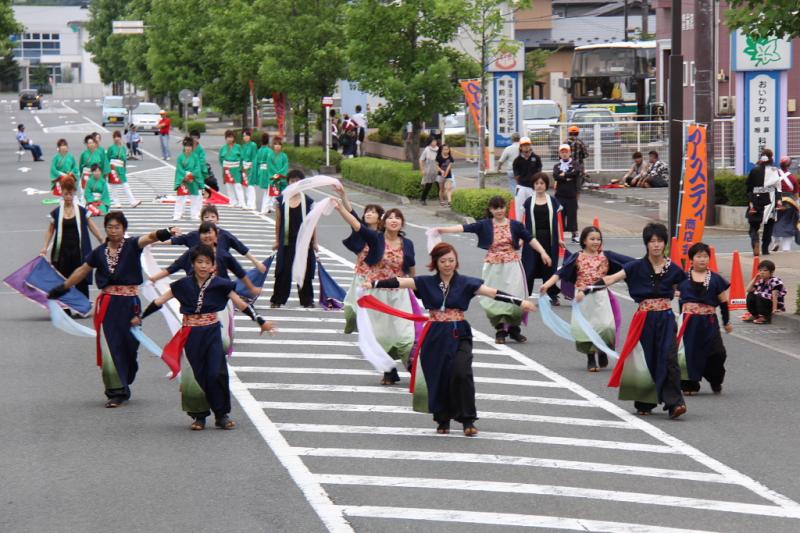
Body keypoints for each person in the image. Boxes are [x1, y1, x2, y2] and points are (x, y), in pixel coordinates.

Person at [366, 242, 537, 436]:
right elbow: (398, 282)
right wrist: (372, 284)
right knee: (438, 375)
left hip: (459, 332)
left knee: (461, 372)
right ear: (436, 263)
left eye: (451, 260)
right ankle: (442, 418)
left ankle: (467, 420)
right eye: (443, 261)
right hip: (435, 334)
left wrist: (520, 302)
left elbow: (493, 293)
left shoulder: (466, 283)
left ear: (456, 262)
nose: (448, 264)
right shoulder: (425, 282)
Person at [134, 244, 274, 430]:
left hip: (212, 331)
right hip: (191, 334)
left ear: (213, 265)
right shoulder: (182, 285)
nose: (203, 266)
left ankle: (221, 414)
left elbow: (241, 304)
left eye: (207, 262)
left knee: (216, 372)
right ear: (193, 264)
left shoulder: (221, 285)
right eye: (199, 262)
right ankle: (198, 416)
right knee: (197, 375)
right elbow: (159, 301)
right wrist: (141, 316)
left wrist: (260, 321)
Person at [47, 213, 176, 408]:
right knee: (110, 346)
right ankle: (116, 391)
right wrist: (64, 287)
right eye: (110, 227)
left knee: (129, 348)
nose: (113, 230)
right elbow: (83, 270)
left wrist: (165, 232)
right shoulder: (99, 253)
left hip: (130, 304)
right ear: (106, 228)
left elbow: (149, 237)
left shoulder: (132, 245)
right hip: (108, 305)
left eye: (117, 227)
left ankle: (126, 376)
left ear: (124, 229)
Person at [578, 222, 687, 419]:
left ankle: (675, 403)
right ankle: (645, 400)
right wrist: (587, 289)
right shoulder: (636, 266)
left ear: (665, 244)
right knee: (645, 359)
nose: (656, 245)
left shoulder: (674, 268)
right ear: (646, 244)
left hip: (666, 317)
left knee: (669, 358)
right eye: (652, 241)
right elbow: (611, 279)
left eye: (660, 241)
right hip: (644, 319)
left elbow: (687, 287)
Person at [432, 196, 551, 344]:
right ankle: (500, 329)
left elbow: (530, 239)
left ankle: (514, 328)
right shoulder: (484, 225)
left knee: (517, 296)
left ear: (505, 208)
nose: (499, 210)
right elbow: (464, 228)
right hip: (493, 266)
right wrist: (442, 230)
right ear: (491, 210)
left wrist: (543, 252)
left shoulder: (515, 225)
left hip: (512, 265)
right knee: (494, 298)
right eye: (496, 208)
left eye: (501, 207)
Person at [334, 201, 416, 385]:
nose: (394, 220)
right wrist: (340, 208)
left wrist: (416, 288)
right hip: (376, 295)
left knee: (405, 334)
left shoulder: (407, 243)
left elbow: (411, 266)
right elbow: (356, 224)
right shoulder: (376, 238)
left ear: (402, 223)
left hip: (399, 293)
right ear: (384, 222)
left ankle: (412, 366)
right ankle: (389, 369)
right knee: (381, 335)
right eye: (390, 217)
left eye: (398, 218)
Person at [541, 226, 633, 371]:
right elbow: (562, 272)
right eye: (592, 239)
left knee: (606, 326)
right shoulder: (577, 257)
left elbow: (632, 263)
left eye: (598, 239)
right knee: (585, 328)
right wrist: (546, 285)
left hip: (601, 296)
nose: (596, 242)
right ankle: (590, 358)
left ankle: (603, 349)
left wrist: (650, 264)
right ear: (584, 240)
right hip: (582, 298)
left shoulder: (607, 256)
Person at [677, 242, 731, 395]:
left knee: (717, 353)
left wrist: (726, 321)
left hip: (709, 322)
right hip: (689, 322)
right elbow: (680, 303)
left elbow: (723, 302)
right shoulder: (683, 279)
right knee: (688, 353)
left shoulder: (715, 279)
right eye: (699, 256)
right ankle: (690, 384)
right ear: (691, 259)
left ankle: (715, 379)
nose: (702, 260)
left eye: (705, 256)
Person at [40, 175, 104, 299]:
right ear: (62, 194)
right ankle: (65, 305)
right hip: (62, 252)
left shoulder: (81, 211)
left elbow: (91, 225)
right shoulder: (56, 212)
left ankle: (83, 304)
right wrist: (45, 247)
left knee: (81, 277)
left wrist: (101, 239)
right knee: (62, 277)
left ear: (74, 193)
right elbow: (50, 231)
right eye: (66, 194)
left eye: (71, 194)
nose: (68, 197)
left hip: (79, 251)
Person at [336, 186, 384, 334]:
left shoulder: (384, 234)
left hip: (376, 278)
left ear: (380, 218)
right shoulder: (361, 229)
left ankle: (369, 334)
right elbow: (352, 214)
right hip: (360, 275)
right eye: (367, 211)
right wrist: (343, 194)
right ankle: (353, 323)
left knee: (370, 310)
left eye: (373, 212)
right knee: (351, 306)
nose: (369, 214)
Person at [166, 205, 266, 271]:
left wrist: (256, 263)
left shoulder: (225, 235)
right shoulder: (194, 235)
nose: (210, 219)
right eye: (206, 217)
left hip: (218, 274)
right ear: (201, 220)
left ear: (218, 219)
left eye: (213, 217)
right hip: (197, 275)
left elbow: (241, 248)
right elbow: (175, 241)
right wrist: (153, 241)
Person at [271, 170, 316, 308]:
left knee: (305, 270)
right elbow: (278, 222)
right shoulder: (281, 200)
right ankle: (277, 300)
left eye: (298, 180)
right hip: (286, 242)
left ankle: (307, 300)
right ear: (288, 182)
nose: (295, 183)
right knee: (283, 270)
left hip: (304, 242)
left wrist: (315, 242)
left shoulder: (309, 201)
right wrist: (277, 241)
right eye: (292, 181)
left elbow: (312, 223)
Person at [522, 173, 564, 303]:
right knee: (529, 265)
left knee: (549, 267)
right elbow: (524, 221)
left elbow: (556, 221)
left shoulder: (553, 201)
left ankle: (552, 295)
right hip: (532, 239)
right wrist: (522, 237)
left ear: (546, 185)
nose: (539, 186)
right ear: (533, 185)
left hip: (549, 238)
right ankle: (524, 295)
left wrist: (559, 239)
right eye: (536, 183)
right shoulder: (528, 202)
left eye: (541, 183)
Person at [747, 149, 781, 256]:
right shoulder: (775, 170)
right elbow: (778, 188)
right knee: (769, 226)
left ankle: (755, 240)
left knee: (753, 225)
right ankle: (765, 249)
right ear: (771, 158)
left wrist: (750, 199)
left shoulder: (755, 170)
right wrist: (779, 200)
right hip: (770, 200)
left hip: (756, 199)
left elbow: (749, 186)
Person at [743, 260, 786, 324]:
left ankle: (765, 317)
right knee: (751, 294)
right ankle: (755, 315)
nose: (762, 272)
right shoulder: (761, 281)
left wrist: (774, 309)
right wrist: (755, 278)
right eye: (760, 270)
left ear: (771, 272)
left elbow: (775, 296)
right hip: (765, 302)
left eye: (765, 270)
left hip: (775, 304)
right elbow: (748, 290)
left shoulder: (775, 281)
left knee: (760, 295)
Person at [553, 144, 581, 243]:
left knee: (572, 214)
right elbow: (556, 176)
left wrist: (564, 175)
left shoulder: (575, 164)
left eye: (566, 152)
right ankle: (559, 234)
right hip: (560, 194)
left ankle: (574, 234)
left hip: (572, 194)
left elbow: (576, 172)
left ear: (570, 153)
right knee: (560, 214)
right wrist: (568, 176)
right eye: (562, 152)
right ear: (560, 154)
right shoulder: (557, 165)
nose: (564, 154)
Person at [106, 130, 141, 208]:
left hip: (121, 168)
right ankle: (116, 202)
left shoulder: (123, 148)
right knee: (113, 186)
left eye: (118, 136)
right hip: (113, 168)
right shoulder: (111, 148)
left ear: (120, 137)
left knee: (125, 185)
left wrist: (125, 169)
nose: (116, 138)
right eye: (115, 137)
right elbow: (107, 159)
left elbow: (124, 160)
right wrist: (107, 170)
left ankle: (132, 201)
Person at [173, 137, 205, 221]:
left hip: (192, 179)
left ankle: (194, 215)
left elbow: (197, 168)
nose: (188, 148)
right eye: (186, 146)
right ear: (184, 147)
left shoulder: (195, 157)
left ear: (192, 147)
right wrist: (185, 176)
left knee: (194, 198)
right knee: (180, 198)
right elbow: (179, 168)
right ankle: (177, 215)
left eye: (189, 146)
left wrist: (191, 175)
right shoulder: (180, 157)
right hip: (183, 179)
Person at [512, 136, 542, 221]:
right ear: (520, 147)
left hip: (533, 188)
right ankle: (519, 229)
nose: (526, 147)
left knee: (533, 209)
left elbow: (539, 172)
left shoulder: (536, 158)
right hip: (521, 187)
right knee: (519, 210)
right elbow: (516, 175)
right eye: (524, 145)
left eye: (528, 145)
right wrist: (522, 181)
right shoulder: (517, 160)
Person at [772, 156, 798, 252]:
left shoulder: (774, 174)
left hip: (776, 201)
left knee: (774, 221)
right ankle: (786, 248)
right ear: (789, 165)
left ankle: (776, 241)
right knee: (789, 223)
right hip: (789, 202)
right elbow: (796, 194)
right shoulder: (792, 177)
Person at [263, 137, 289, 214]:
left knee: (282, 193)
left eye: (279, 144)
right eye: (275, 144)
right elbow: (270, 166)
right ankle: (265, 208)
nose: (277, 146)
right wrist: (276, 174)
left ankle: (282, 208)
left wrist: (280, 174)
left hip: (281, 177)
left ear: (281, 146)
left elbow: (285, 166)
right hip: (273, 177)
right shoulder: (270, 155)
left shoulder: (284, 156)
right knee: (270, 193)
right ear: (273, 146)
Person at [220, 130, 244, 208]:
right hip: (227, 168)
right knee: (229, 186)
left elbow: (242, 158)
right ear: (225, 138)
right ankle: (233, 201)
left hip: (236, 168)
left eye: (231, 137)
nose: (229, 139)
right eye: (228, 137)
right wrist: (224, 167)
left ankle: (242, 202)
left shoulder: (238, 147)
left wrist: (241, 168)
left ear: (234, 138)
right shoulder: (223, 148)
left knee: (238, 185)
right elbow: (220, 159)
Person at [240, 129, 259, 210]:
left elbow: (255, 157)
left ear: (250, 136)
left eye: (247, 135)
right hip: (244, 167)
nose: (245, 137)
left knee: (250, 185)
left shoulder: (253, 145)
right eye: (244, 136)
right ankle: (248, 203)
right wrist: (242, 167)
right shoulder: (243, 146)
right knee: (245, 186)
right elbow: (241, 157)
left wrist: (250, 166)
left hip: (250, 167)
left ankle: (252, 204)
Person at [419, 137, 439, 205]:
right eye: (433, 141)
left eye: (435, 141)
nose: (434, 142)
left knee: (439, 184)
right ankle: (422, 199)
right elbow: (421, 160)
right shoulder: (427, 150)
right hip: (429, 169)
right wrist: (422, 170)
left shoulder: (438, 149)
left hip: (437, 169)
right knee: (428, 185)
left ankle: (441, 199)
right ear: (430, 142)